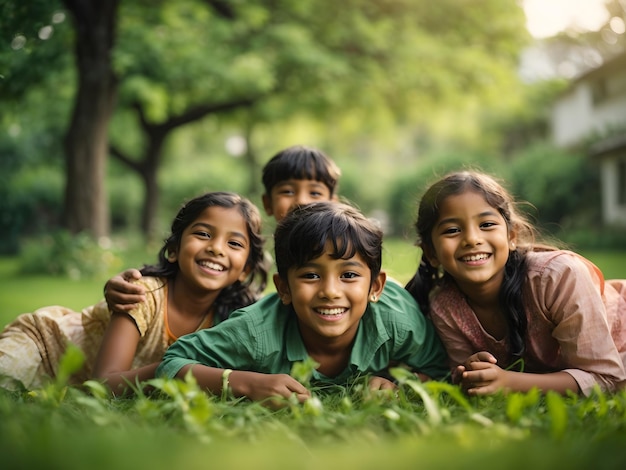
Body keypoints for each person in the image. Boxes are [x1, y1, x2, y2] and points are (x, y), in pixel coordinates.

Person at [155, 201, 448, 406]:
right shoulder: (256, 331)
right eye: (310, 275)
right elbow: (172, 362)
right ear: (284, 288)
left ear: (375, 286)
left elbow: (440, 368)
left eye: (348, 275)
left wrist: (399, 383)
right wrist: (245, 383)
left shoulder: (397, 319)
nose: (330, 291)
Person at [0, 192, 268, 393]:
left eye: (234, 243)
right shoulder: (142, 294)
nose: (217, 248)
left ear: (245, 269)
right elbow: (103, 384)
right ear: (173, 250)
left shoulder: (231, 319)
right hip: (45, 346)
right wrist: (177, 372)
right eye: (203, 234)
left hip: (72, 385)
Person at [405, 170, 626, 397]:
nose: (472, 239)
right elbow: (460, 378)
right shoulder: (446, 305)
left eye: (487, 224)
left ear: (512, 236)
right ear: (430, 252)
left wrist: (510, 382)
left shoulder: (558, 277)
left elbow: (606, 379)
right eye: (452, 230)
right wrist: (473, 371)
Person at [103, 144, 341, 313]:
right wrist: (117, 286)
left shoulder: (344, 244)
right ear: (268, 202)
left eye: (315, 192)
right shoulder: (251, 251)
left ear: (334, 201)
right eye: (287, 191)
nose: (301, 200)